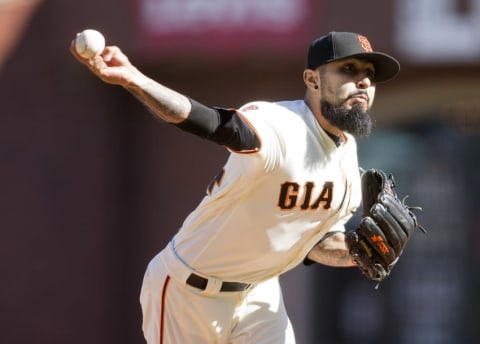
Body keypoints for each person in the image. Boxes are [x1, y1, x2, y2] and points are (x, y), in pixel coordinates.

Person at [70, 31, 400, 343]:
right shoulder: (280, 126)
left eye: (370, 73)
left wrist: (358, 252)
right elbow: (214, 123)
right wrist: (135, 79)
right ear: (312, 79)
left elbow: (313, 242)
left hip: (259, 293)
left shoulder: (346, 150)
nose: (364, 81)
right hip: (188, 292)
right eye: (348, 68)